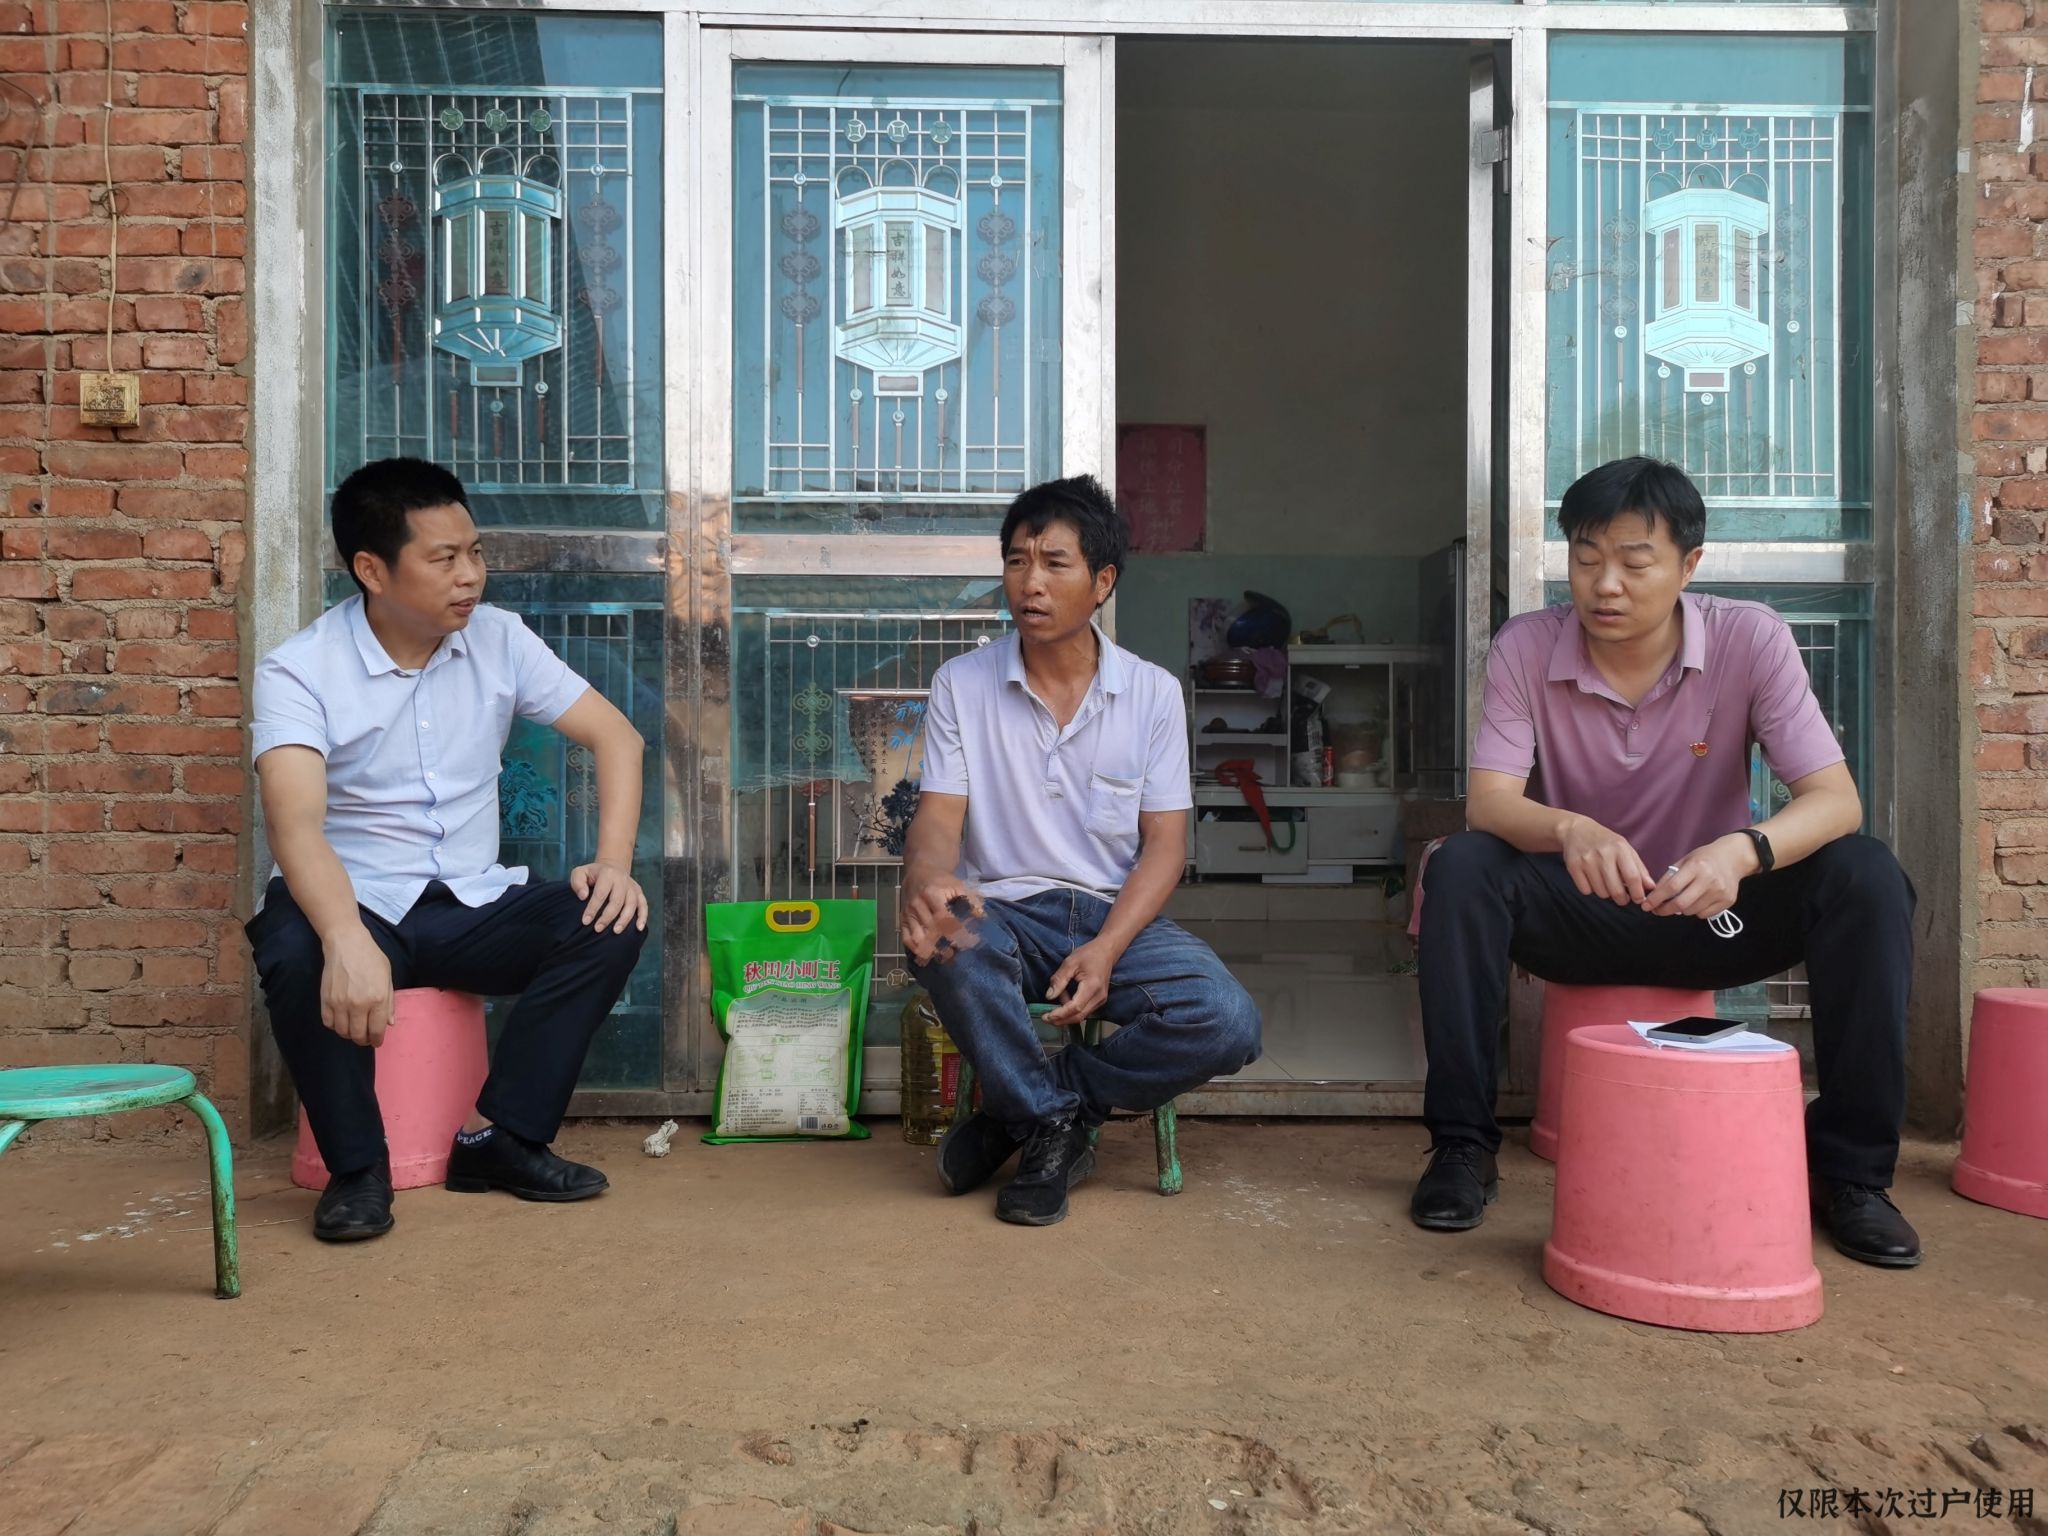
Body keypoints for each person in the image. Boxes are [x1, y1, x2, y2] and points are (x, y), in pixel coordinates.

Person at [1410, 456, 1921, 1267]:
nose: (1605, 584)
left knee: (1865, 875)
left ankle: (1852, 1175)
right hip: (1582, 911)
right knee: (1464, 866)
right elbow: (1491, 803)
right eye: (1585, 559)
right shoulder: (1525, 647)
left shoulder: (1751, 638)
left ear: (1689, 564)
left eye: (1634, 561)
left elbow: (1835, 800)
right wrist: (1570, 830)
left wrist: (1744, 851)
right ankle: (1462, 1148)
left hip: (1711, 911)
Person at [246, 457, 649, 1243]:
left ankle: (503, 1139)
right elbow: (295, 827)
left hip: (470, 903)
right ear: (373, 570)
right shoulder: (300, 671)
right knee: (294, 950)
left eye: (475, 553)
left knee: (609, 919)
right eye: (444, 559)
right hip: (356, 898)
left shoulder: (498, 640)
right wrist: (344, 937)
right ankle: (357, 1172)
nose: (470, 576)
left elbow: (618, 738)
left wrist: (614, 864)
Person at [900, 475, 1262, 1227]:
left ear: (1102, 582)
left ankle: (1032, 1108)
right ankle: (1050, 1123)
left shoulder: (1152, 693)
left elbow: (1165, 847)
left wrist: (1106, 948)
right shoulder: (962, 684)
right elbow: (938, 818)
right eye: (1016, 560)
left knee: (1228, 1020)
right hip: (1002, 911)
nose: (1030, 582)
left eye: (1054, 563)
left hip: (1111, 913)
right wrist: (929, 876)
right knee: (944, 933)